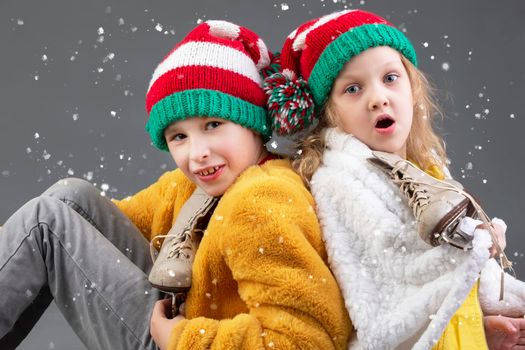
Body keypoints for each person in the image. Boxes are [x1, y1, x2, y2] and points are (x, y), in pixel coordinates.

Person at [0, 20, 350, 350]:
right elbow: (88, 240)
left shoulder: (264, 199)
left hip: (178, 340)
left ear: (253, 122)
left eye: (213, 124)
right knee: (69, 198)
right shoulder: (192, 188)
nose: (197, 153)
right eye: (179, 136)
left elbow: (305, 340)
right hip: (174, 318)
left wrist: (185, 338)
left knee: (47, 222)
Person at [264, 9, 525, 349]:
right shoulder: (339, 180)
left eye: (390, 78)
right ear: (330, 113)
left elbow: (467, 276)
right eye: (353, 89)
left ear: (413, 87)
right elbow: (393, 266)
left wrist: (496, 304)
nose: (378, 98)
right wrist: (471, 244)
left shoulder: (425, 166)